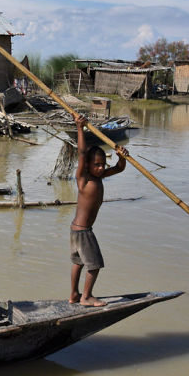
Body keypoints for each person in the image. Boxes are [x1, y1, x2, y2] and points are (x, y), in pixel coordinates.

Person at [70, 115, 127, 306]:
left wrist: (121, 155)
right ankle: (86, 297)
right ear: (87, 165)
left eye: (103, 164)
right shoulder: (84, 179)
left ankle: (74, 295)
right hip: (83, 231)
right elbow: (81, 152)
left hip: (77, 230)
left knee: (78, 263)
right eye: (97, 164)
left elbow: (119, 168)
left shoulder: (100, 176)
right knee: (94, 265)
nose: (101, 167)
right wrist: (79, 128)